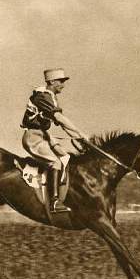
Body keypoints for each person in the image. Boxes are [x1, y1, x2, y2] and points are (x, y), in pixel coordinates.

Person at [21, 68, 89, 213]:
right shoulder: (43, 96)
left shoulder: (50, 96)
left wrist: (80, 138)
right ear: (51, 81)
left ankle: (59, 193)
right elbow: (60, 119)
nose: (63, 85)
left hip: (44, 135)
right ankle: (54, 202)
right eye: (61, 81)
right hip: (33, 137)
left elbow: (63, 125)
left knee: (65, 157)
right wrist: (80, 133)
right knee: (56, 162)